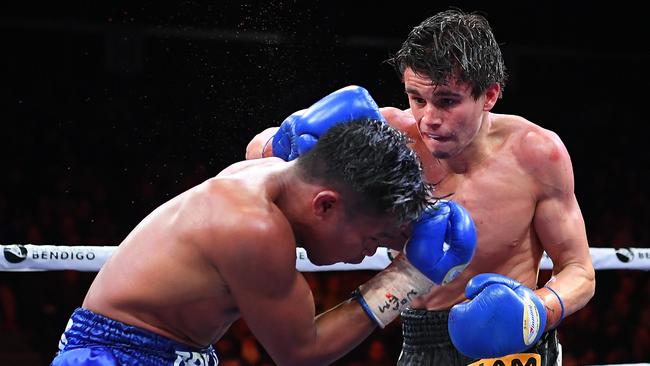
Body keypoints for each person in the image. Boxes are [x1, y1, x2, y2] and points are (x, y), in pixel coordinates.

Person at [246, 9, 595, 366]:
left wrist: (538, 310)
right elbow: (257, 159)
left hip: (513, 341)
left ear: (489, 95)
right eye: (417, 99)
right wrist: (281, 142)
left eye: (447, 101)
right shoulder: (391, 139)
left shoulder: (536, 154)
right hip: (420, 339)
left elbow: (579, 270)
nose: (428, 119)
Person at [50, 86, 477, 366]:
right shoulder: (254, 228)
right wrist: (407, 277)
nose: (368, 253)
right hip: (116, 355)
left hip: (176, 351)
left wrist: (412, 223)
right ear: (325, 206)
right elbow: (301, 352)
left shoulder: (279, 175)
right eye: (370, 239)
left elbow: (290, 154)